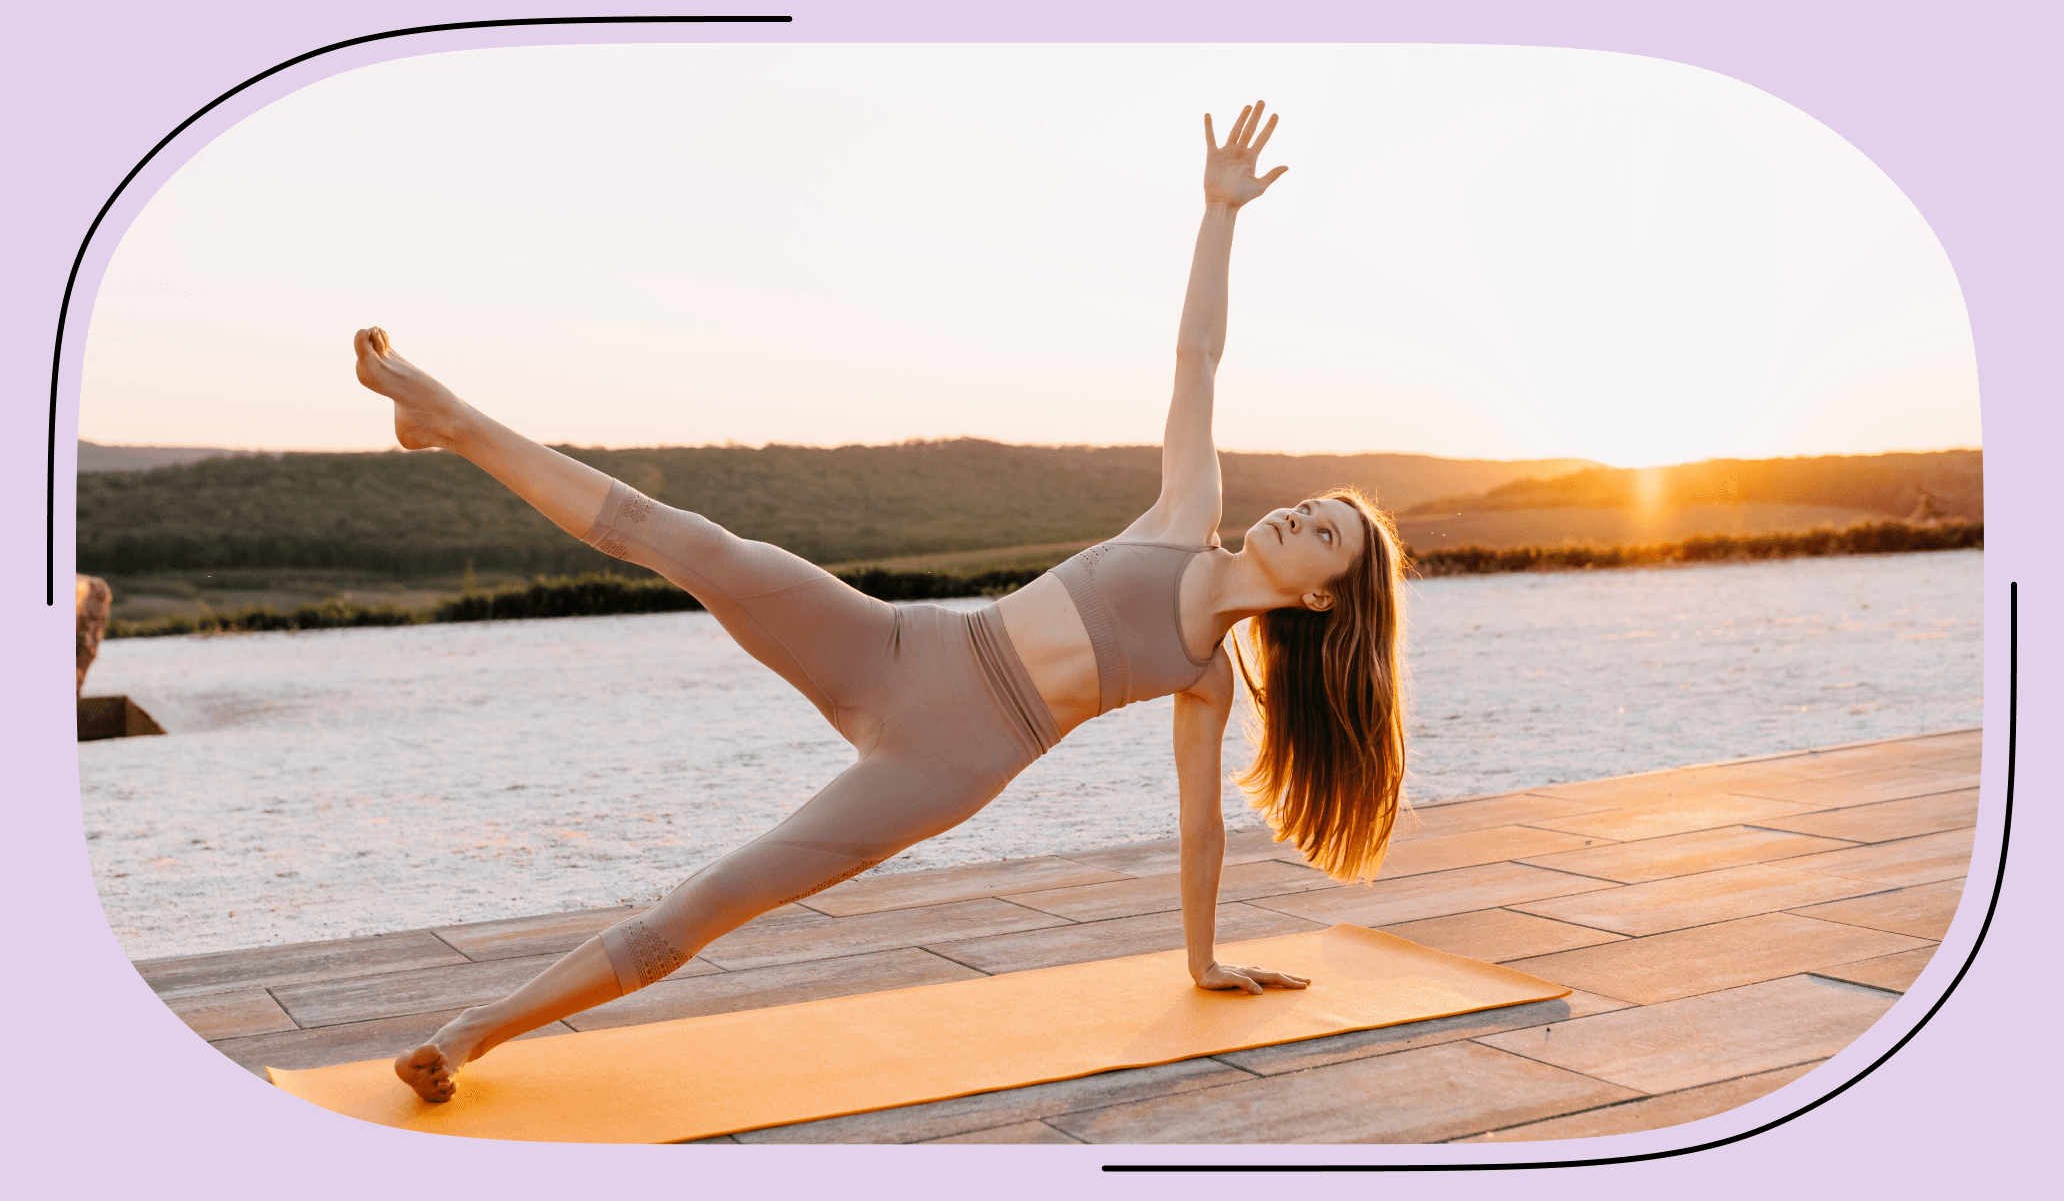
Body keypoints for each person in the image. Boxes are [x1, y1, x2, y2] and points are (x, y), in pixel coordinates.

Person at [359, 102, 1410, 1104]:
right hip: (900, 647)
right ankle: (448, 420)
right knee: (693, 543)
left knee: (717, 898)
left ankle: (467, 1033)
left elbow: (1198, 834)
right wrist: (1218, 212)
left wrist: (1204, 956)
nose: (1302, 519)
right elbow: (1197, 357)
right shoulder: (1188, 510)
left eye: (1326, 536)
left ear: (1321, 597)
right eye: (1313, 505)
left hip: (941, 767)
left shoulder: (1203, 680)